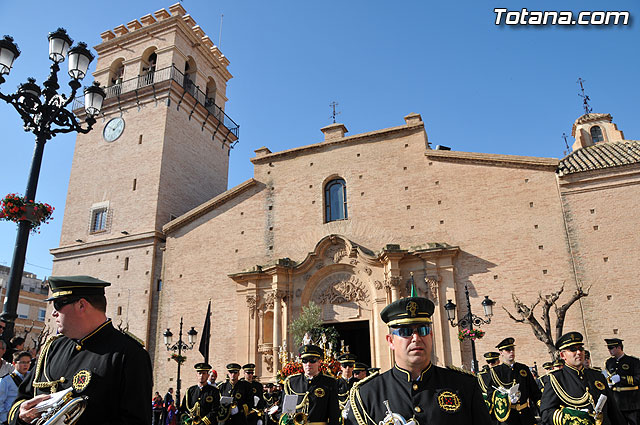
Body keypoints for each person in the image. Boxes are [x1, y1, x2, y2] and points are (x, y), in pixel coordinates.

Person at [8, 275, 153, 425]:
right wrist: (22, 415)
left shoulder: (128, 354)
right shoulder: (52, 348)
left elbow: (136, 420)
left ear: (81, 305)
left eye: (58, 304)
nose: (53, 313)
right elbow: (21, 401)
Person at [346, 296, 492, 425]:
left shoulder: (464, 385)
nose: (416, 338)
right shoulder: (366, 394)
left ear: (431, 336)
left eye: (423, 330)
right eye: (405, 332)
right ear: (390, 341)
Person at [540, 332, 626, 425]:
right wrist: (573, 419)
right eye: (573, 349)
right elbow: (546, 413)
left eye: (580, 348)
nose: (579, 352)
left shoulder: (597, 375)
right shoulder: (555, 379)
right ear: (562, 355)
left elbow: (612, 409)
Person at [485, 337, 540, 424]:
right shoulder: (495, 372)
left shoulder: (523, 368)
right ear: (501, 352)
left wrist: (543, 410)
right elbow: (490, 396)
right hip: (507, 418)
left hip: (525, 415)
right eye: (508, 350)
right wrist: (505, 397)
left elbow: (534, 392)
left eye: (513, 349)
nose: (511, 352)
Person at [282, 344, 340, 425]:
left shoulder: (329, 382)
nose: (308, 364)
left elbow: (334, 413)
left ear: (319, 362)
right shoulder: (292, 382)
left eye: (312, 360)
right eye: (305, 361)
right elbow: (286, 411)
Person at [604, 338, 640, 425]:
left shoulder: (633, 361)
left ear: (619, 347)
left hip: (631, 401)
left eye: (611, 348)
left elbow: (638, 378)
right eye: (608, 348)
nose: (609, 350)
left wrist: (622, 379)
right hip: (617, 402)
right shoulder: (609, 362)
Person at [0, 351, 32, 423]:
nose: (26, 365)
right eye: (22, 362)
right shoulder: (6, 380)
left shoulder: (32, 376)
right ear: (14, 363)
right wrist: (5, 419)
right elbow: (0, 402)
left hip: (28, 416)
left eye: (28, 362)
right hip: (12, 417)